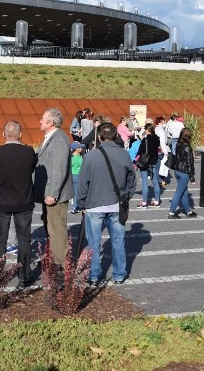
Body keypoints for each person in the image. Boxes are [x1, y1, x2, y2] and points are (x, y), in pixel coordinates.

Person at [75, 121, 136, 285]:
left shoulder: (90, 156)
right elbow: (132, 178)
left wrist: (81, 204)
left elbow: (82, 184)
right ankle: (119, 275)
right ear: (116, 136)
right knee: (118, 241)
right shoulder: (124, 154)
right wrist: (126, 196)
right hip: (117, 204)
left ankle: (94, 276)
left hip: (94, 205)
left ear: (100, 137)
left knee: (93, 243)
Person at [0, 121, 37, 288]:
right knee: (24, 239)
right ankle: (24, 276)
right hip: (23, 201)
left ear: (4, 134)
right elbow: (31, 169)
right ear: (20, 134)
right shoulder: (29, 152)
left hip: (1, 201)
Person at [34, 107, 73, 266]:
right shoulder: (50, 137)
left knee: (57, 229)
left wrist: (52, 193)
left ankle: (62, 264)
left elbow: (59, 169)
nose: (40, 121)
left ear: (50, 122)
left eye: (42, 119)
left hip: (53, 194)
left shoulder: (58, 139)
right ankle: (53, 258)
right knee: (50, 227)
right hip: (47, 192)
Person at [168, 127, 197, 218]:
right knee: (179, 192)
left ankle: (188, 211)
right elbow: (189, 163)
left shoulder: (178, 144)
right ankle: (171, 212)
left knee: (184, 192)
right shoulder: (187, 146)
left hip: (177, 171)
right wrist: (192, 178)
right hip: (184, 172)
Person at [135, 123, 162, 208]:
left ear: (147, 130)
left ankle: (144, 202)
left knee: (144, 182)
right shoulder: (157, 139)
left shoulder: (145, 140)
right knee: (155, 182)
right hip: (154, 161)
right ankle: (157, 201)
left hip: (145, 162)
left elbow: (140, 151)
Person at [69, 141, 85, 213]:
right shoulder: (79, 159)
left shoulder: (70, 157)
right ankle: (75, 207)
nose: (81, 148)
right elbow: (84, 166)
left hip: (71, 175)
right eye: (80, 147)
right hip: (77, 176)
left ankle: (74, 205)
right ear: (77, 149)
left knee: (73, 191)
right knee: (77, 192)